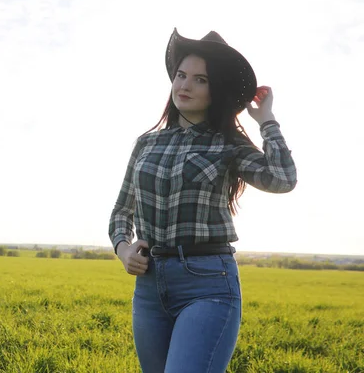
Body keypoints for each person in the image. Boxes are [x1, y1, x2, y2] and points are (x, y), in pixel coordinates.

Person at [108, 28, 297, 373]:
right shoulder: (146, 144)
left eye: (200, 80)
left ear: (216, 90)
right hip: (150, 286)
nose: (185, 86)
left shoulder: (228, 144)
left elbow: (282, 179)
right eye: (181, 75)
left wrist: (266, 121)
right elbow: (122, 210)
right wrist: (123, 249)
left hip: (207, 283)